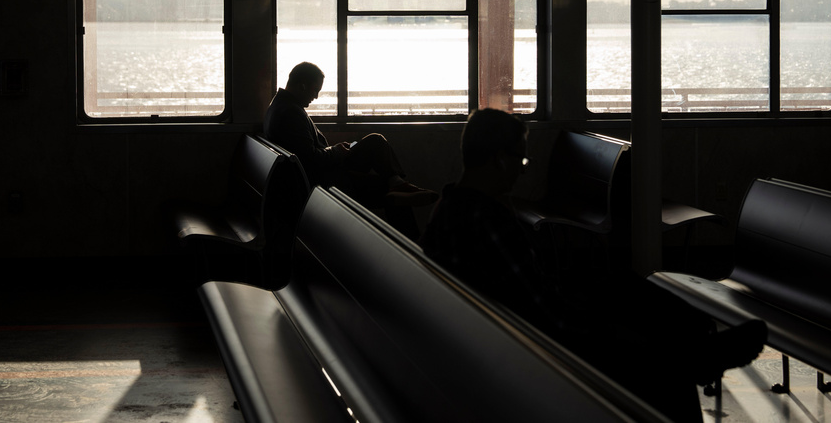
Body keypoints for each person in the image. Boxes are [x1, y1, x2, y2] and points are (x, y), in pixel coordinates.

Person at [422, 108, 766, 423]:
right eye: (520, 159)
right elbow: (548, 316)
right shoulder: (487, 220)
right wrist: (607, 328)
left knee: (619, 285)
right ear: (499, 160)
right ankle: (699, 352)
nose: (521, 169)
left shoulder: (450, 208)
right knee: (658, 359)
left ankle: (699, 347)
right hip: (529, 344)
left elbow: (527, 291)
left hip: (496, 332)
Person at [264, 62, 438, 238]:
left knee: (375, 142)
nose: (316, 97)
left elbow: (306, 154)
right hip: (325, 180)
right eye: (315, 90)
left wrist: (334, 150)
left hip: (319, 173)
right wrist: (336, 152)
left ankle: (397, 182)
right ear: (302, 86)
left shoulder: (280, 105)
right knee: (395, 196)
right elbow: (311, 158)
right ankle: (414, 246)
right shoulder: (291, 113)